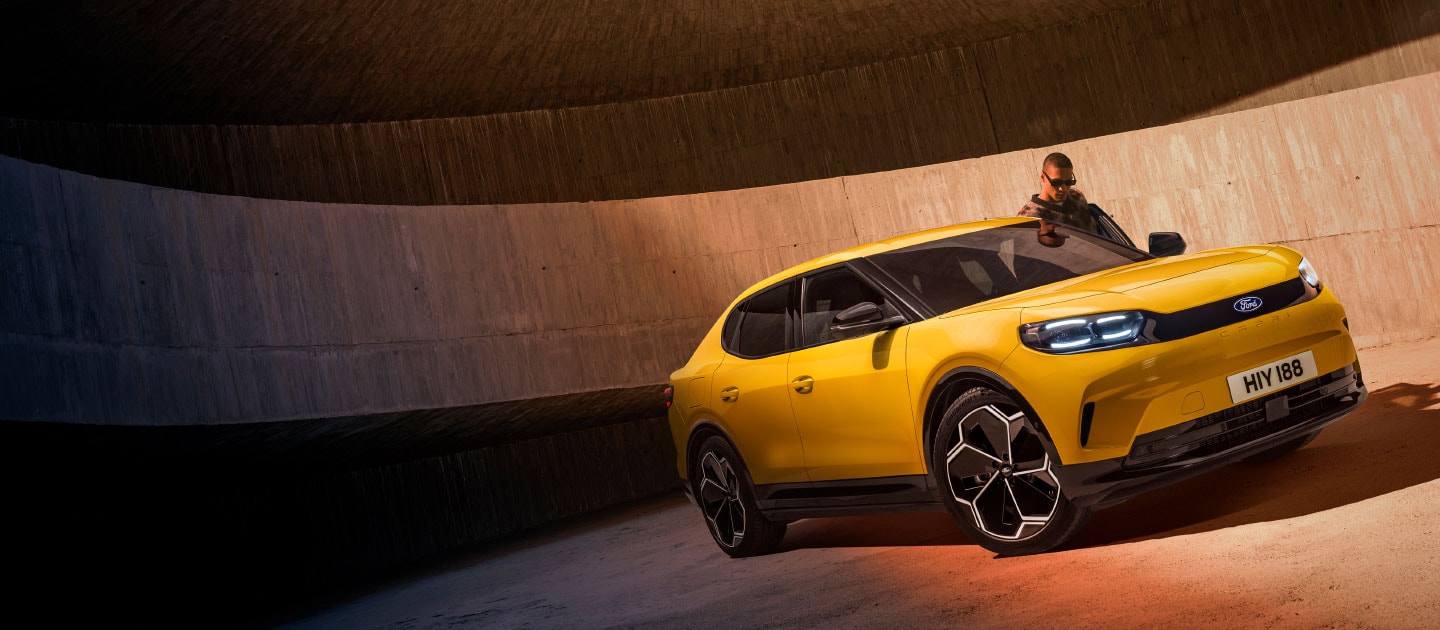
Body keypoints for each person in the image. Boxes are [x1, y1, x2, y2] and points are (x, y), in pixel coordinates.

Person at [1018, 152, 1097, 246]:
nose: (1062, 189)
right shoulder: (1029, 217)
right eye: (1056, 182)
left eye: (1068, 182)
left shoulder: (1077, 196)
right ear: (1043, 177)